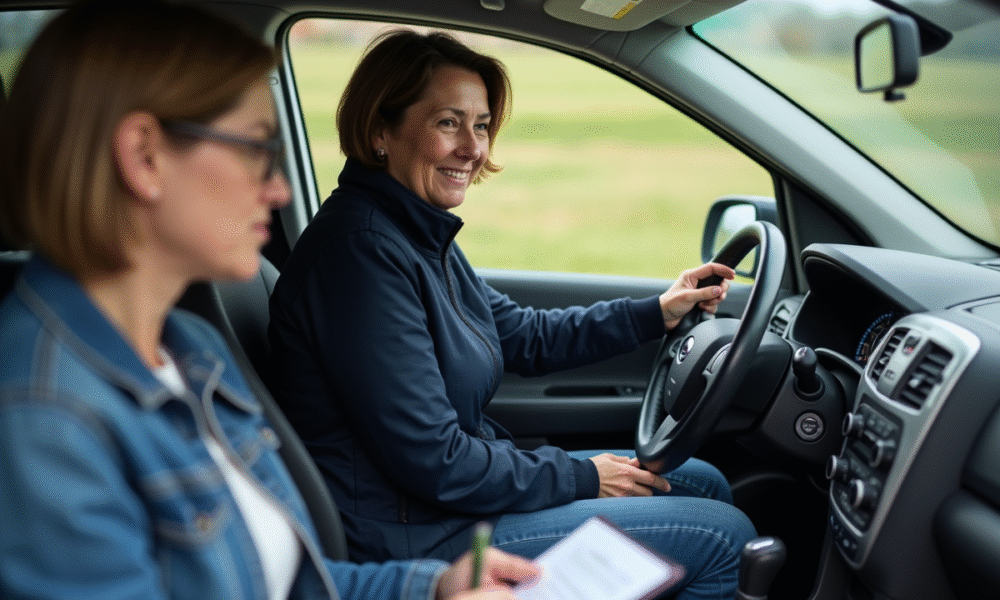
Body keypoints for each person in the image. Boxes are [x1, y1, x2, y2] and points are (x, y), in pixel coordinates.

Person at [0, 3, 538, 600]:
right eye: (256, 148)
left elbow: (285, 580)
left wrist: (430, 587)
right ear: (144, 157)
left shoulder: (192, 350)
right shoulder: (46, 417)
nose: (279, 189)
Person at [267, 29, 757, 600]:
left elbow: (522, 334)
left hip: (438, 508)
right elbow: (435, 459)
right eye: (448, 122)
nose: (472, 149)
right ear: (380, 130)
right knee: (723, 537)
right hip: (415, 537)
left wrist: (655, 314)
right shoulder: (361, 254)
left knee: (702, 480)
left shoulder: (414, 233)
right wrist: (583, 477)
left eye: (480, 126)